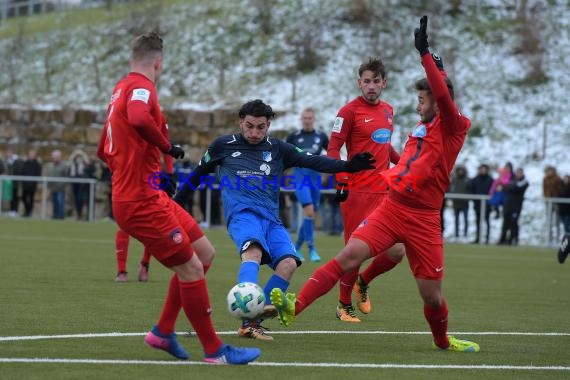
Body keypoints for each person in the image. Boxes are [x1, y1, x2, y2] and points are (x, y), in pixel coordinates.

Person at [270, 16, 480, 353]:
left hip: (424, 218)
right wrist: (343, 176)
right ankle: (295, 308)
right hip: (391, 204)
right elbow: (355, 149)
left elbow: (441, 96)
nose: (417, 104)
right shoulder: (417, 125)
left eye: (423, 100)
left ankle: (442, 341)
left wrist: (427, 57)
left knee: (431, 295)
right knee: (349, 254)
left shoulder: (454, 126)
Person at [98, 31, 260, 364]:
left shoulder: (118, 90)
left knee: (203, 253)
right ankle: (215, 351)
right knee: (190, 269)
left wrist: (148, 175)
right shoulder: (142, 88)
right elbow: (140, 118)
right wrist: (166, 148)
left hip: (147, 192)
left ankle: (163, 331)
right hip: (140, 200)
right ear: (158, 62)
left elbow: (104, 149)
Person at [174, 99, 375, 341]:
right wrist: (173, 208)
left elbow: (313, 160)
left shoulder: (279, 149)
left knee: (288, 265)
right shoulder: (222, 146)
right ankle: (247, 313)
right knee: (254, 252)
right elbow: (195, 176)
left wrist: (347, 166)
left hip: (271, 219)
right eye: (249, 126)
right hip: (242, 215)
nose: (254, 132)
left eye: (261, 127)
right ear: (241, 122)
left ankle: (252, 322)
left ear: (268, 125)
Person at [326, 56, 405, 322]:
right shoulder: (348, 112)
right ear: (359, 83)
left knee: (397, 251)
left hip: (384, 193)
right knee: (355, 251)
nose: (371, 86)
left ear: (384, 83)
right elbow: (333, 148)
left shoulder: (388, 110)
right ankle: (343, 305)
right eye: (366, 81)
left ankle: (363, 282)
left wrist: (405, 164)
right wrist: (343, 179)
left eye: (376, 81)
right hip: (357, 192)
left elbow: (386, 147)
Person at [286, 107, 330, 262]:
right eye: (304, 118)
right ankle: (312, 249)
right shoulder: (294, 137)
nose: (307, 120)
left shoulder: (321, 136)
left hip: (315, 179)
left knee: (310, 215)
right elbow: (284, 155)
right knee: (309, 212)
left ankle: (296, 247)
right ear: (301, 119)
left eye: (309, 118)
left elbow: (332, 153)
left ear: (314, 119)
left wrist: (327, 171)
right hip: (299, 178)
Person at [498, 167, 529, 246]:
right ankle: (503, 239)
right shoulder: (513, 180)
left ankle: (513, 239)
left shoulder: (524, 182)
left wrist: (507, 188)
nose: (518, 174)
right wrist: (507, 188)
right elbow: (506, 188)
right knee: (505, 223)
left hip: (516, 206)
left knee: (514, 223)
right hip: (507, 205)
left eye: (520, 173)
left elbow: (514, 188)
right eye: (517, 173)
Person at [469, 164, 494, 244]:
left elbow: (493, 191)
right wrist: (475, 200)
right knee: (478, 222)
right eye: (481, 169)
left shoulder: (491, 180)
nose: (483, 171)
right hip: (477, 205)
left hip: (487, 205)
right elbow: (472, 190)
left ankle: (487, 239)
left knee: (487, 221)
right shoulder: (475, 180)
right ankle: (478, 238)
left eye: (484, 169)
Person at [44, 149, 69, 220]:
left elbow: (66, 176)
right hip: (53, 188)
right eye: (55, 157)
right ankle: (55, 216)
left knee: (60, 202)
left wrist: (65, 186)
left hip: (61, 188)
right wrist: (48, 187)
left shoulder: (64, 166)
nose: (56, 158)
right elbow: (49, 176)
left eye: (57, 157)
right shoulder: (50, 166)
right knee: (54, 202)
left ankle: (61, 216)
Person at [449, 165, 469, 241]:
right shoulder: (454, 180)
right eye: (459, 170)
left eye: (462, 170)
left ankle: (465, 236)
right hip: (456, 203)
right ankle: (456, 235)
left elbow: (469, 190)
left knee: (465, 219)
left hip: (464, 204)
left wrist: (466, 199)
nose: (460, 172)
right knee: (456, 220)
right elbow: (451, 189)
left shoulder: (467, 180)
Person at [20, 149, 42, 217]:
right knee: (24, 198)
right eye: (30, 154)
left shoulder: (37, 164)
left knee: (31, 198)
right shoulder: (25, 163)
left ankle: (29, 212)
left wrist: (34, 182)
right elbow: (22, 172)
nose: (31, 155)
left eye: (32, 154)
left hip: (32, 185)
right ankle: (26, 211)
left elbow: (38, 174)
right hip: (25, 184)